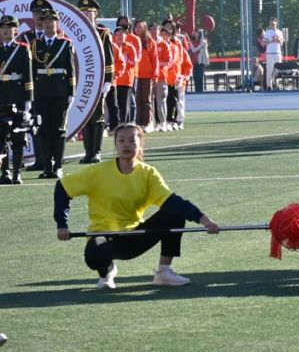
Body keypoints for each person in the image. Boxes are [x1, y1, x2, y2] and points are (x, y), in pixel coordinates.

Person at [55, 122, 221, 289]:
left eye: (132, 140)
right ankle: (106, 273)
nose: (126, 144)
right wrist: (62, 224)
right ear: (116, 144)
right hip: (104, 235)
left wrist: (204, 220)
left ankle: (164, 272)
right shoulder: (98, 171)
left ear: (140, 144)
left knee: (174, 213)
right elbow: (63, 187)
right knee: (94, 255)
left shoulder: (148, 173)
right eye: (121, 140)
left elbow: (172, 202)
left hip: (135, 235)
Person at [32, 9, 77, 178]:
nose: (48, 25)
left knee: (58, 129)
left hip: (60, 91)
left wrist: (71, 92)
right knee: (43, 129)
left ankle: (58, 166)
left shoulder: (65, 44)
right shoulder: (36, 45)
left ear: (57, 24)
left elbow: (71, 70)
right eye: (45, 22)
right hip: (41, 92)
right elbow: (33, 71)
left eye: (51, 21)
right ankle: (46, 167)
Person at [75, 0, 115, 165]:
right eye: (83, 12)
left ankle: (96, 151)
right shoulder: (76, 33)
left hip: (97, 80)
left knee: (97, 116)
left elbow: (109, 57)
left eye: (89, 11)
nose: (86, 14)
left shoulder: (103, 33)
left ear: (96, 14)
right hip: (81, 80)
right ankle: (88, 151)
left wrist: (108, 80)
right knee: (85, 116)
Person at [0, 15, 34, 185]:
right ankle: (5, 172)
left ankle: (17, 173)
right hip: (1, 97)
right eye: (3, 27)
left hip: (18, 96)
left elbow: (28, 76)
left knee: (19, 136)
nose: (6, 30)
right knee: (2, 137)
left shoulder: (22, 49)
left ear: (16, 30)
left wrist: (28, 100)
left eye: (10, 27)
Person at [262, 18, 285, 91]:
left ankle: (276, 85)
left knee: (277, 70)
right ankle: (269, 85)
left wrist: (278, 40)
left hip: (278, 53)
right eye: (271, 23)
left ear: (276, 23)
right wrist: (272, 41)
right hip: (270, 53)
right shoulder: (267, 32)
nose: (272, 24)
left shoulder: (279, 32)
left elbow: (282, 43)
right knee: (269, 70)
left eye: (273, 23)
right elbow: (263, 43)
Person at [189, 30, 210, 94]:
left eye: (197, 32)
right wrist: (200, 46)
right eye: (194, 32)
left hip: (201, 62)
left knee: (200, 77)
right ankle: (197, 91)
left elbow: (204, 45)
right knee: (195, 77)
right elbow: (193, 50)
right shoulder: (191, 41)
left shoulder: (203, 41)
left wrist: (202, 43)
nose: (195, 33)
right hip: (194, 62)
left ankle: (200, 91)